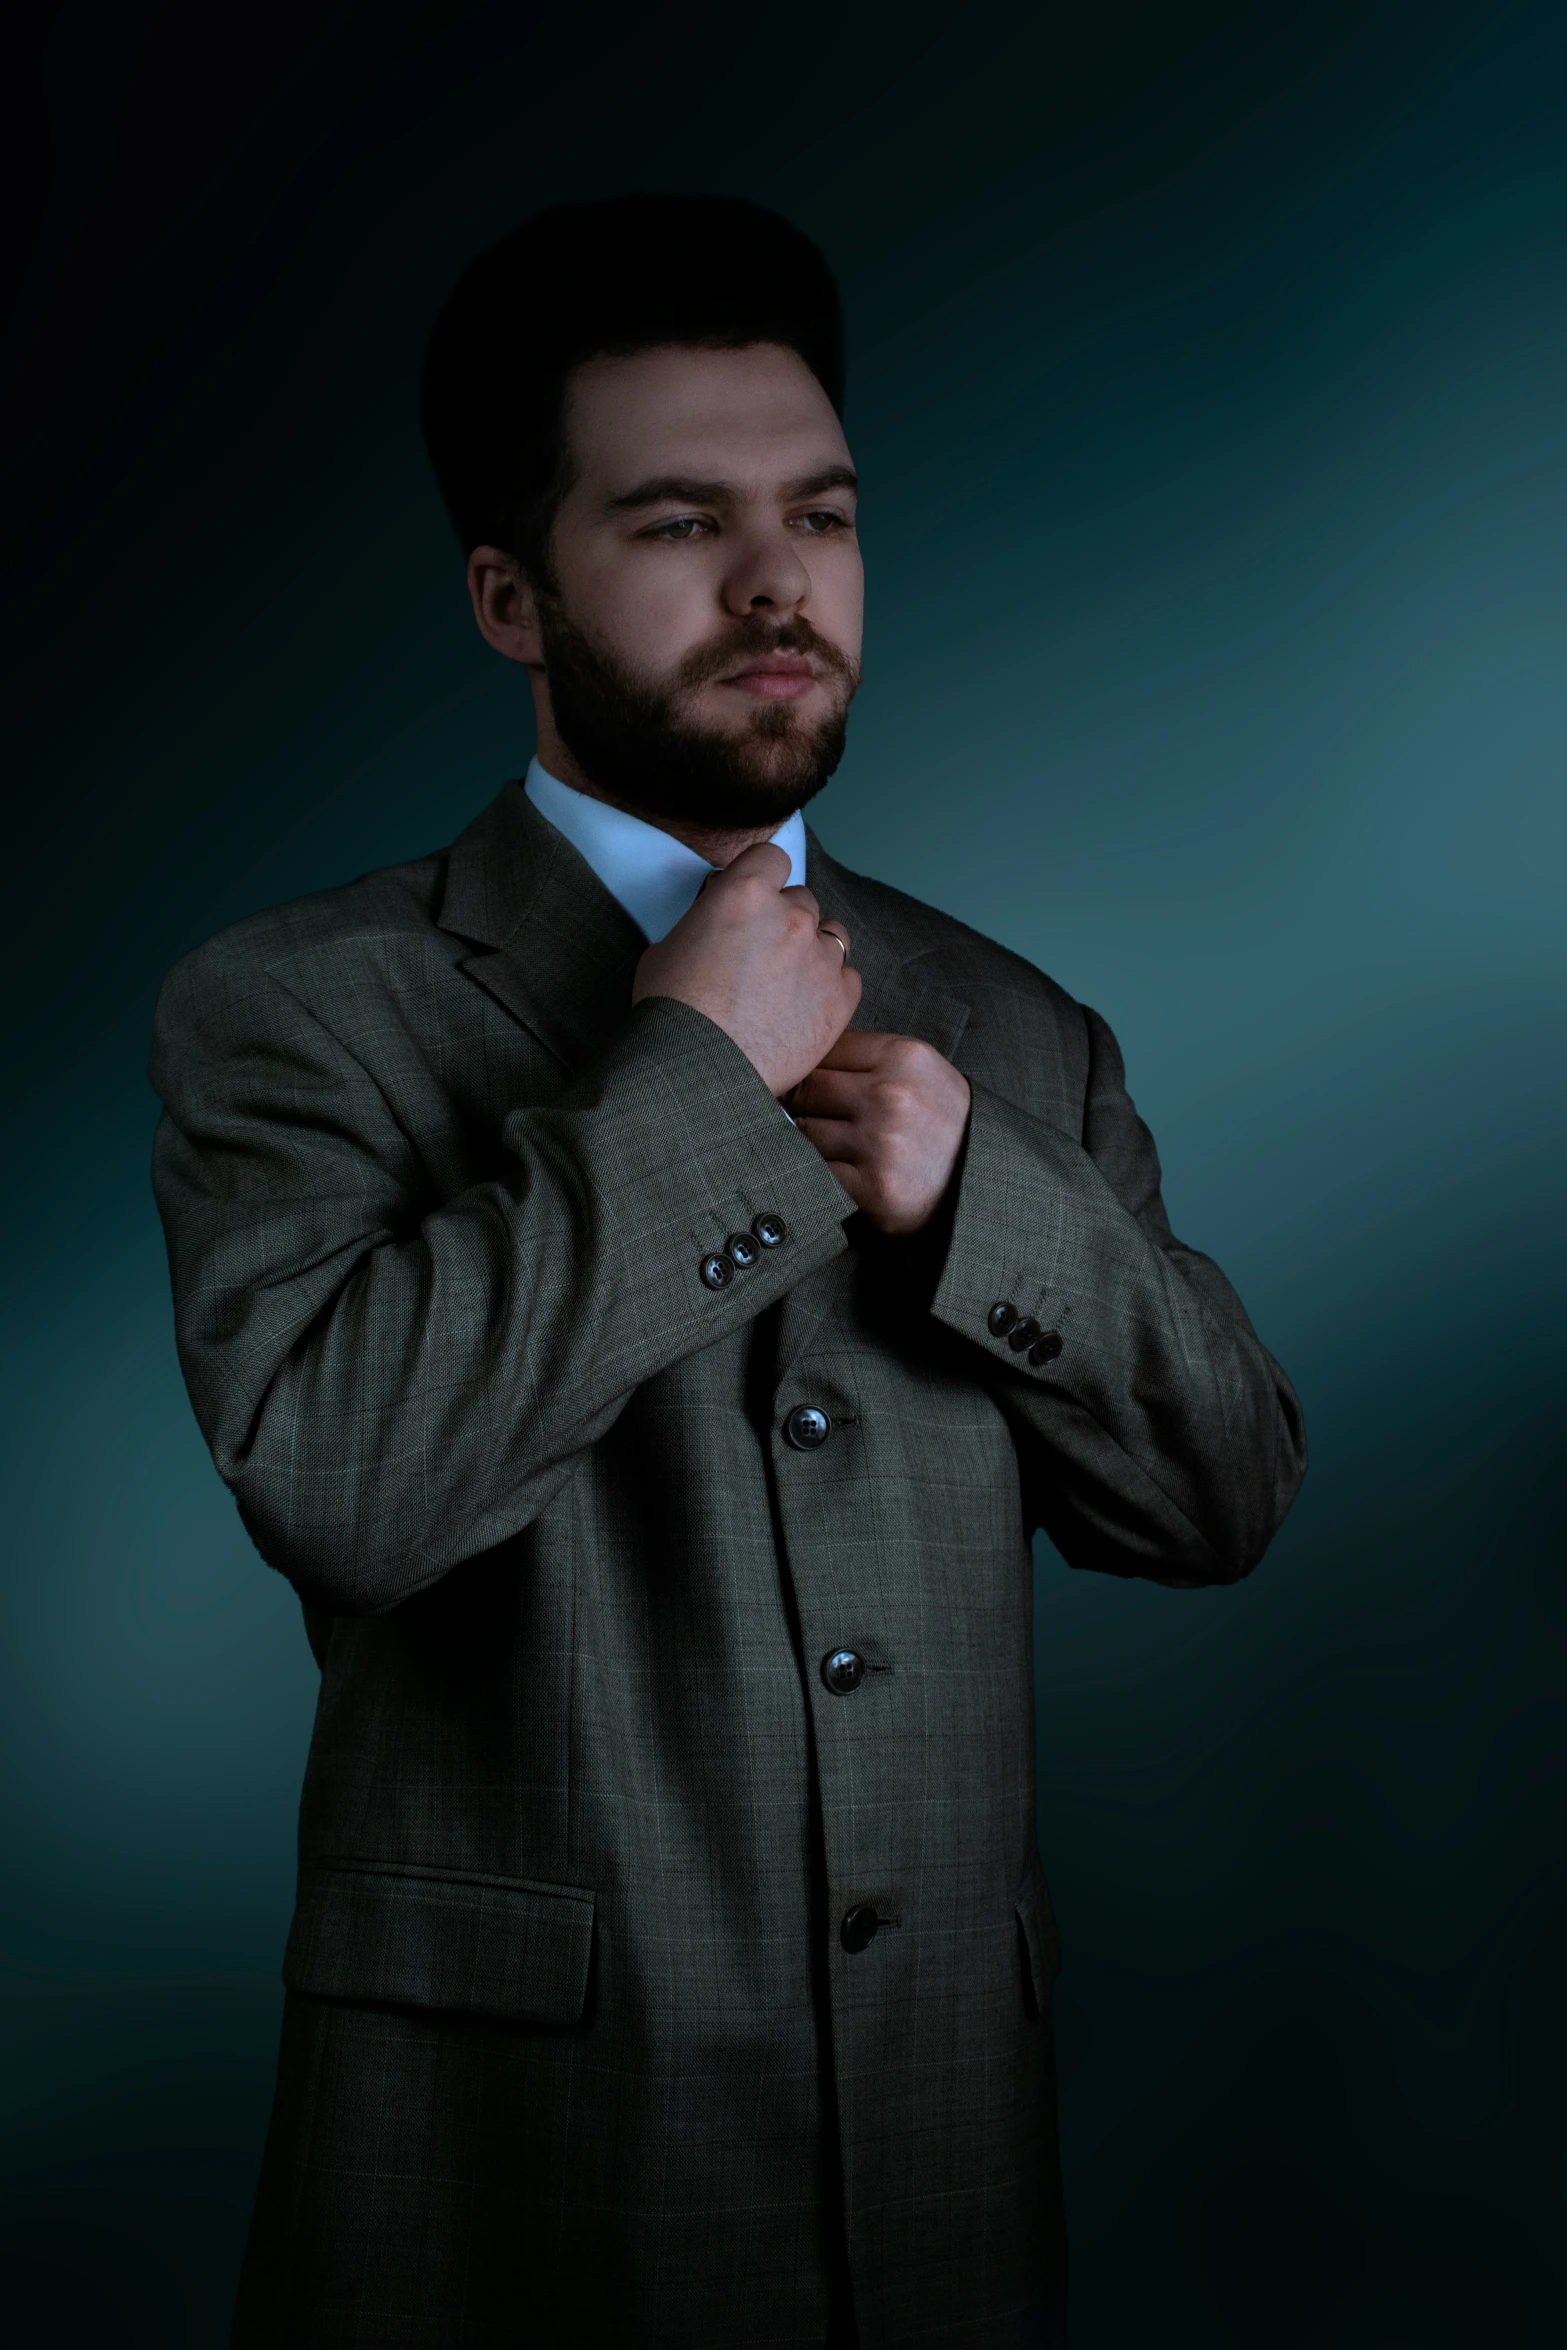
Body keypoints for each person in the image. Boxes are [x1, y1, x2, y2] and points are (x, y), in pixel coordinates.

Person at [150, 192, 1305, 2350]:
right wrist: (688, 1073)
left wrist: (993, 1199)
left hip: (951, 2191)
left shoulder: (1010, 1018)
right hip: (509, 2195)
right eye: (683, 524)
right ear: (512, 594)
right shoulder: (292, 1006)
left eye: (825, 516)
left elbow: (1228, 1492)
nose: (781, 587)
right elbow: (345, 1480)